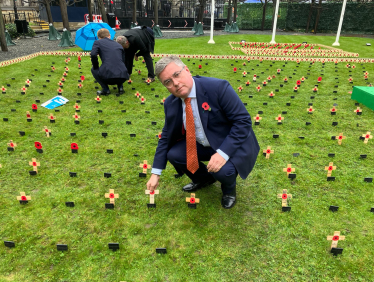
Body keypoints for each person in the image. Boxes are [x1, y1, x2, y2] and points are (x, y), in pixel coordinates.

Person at [146, 56, 260, 209]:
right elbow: (166, 136)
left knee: (223, 171)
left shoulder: (218, 87)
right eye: (168, 82)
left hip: (227, 142)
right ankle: (204, 179)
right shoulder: (171, 103)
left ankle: (228, 189)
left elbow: (243, 121)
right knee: (174, 154)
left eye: (176, 75)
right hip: (201, 142)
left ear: (186, 69)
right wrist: (155, 172)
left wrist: (223, 154)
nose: (175, 83)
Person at [90, 28, 129, 95]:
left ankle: (106, 90)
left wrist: (96, 66)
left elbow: (93, 54)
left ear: (99, 37)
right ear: (109, 36)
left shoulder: (97, 42)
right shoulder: (118, 45)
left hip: (107, 77)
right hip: (123, 76)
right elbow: (122, 60)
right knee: (118, 66)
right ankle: (120, 88)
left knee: (94, 69)